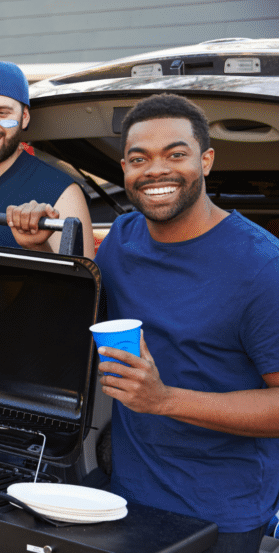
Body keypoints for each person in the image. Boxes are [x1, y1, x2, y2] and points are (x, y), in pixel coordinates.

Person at [95, 93, 279, 550]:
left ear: (206, 160)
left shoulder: (262, 268)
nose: (156, 170)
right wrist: (41, 243)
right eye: (140, 158)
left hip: (220, 514)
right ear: (125, 170)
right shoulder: (121, 238)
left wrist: (164, 399)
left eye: (176, 154)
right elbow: (82, 298)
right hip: (129, 497)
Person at [0, 61, 94, 258]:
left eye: (3, 113)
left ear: (24, 117)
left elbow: (81, 285)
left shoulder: (62, 193)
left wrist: (37, 247)